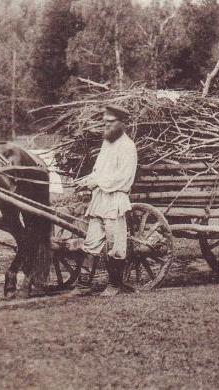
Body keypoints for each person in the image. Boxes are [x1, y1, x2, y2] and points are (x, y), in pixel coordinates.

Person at [73, 105, 138, 296]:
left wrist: (96, 181)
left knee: (115, 245)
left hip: (115, 200)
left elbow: (123, 178)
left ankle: (114, 285)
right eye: (105, 122)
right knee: (91, 243)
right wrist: (88, 180)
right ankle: (83, 285)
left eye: (110, 122)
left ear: (122, 124)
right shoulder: (107, 144)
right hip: (99, 200)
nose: (106, 126)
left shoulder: (127, 146)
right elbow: (98, 171)